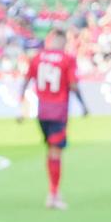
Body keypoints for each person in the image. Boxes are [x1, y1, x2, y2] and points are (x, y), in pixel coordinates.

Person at [19, 28, 85, 210]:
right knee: (56, 152)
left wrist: (21, 104)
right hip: (58, 112)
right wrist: (84, 105)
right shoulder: (67, 59)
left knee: (50, 150)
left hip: (42, 112)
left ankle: (54, 192)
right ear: (62, 41)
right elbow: (73, 84)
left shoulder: (38, 57)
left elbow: (26, 81)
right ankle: (53, 194)